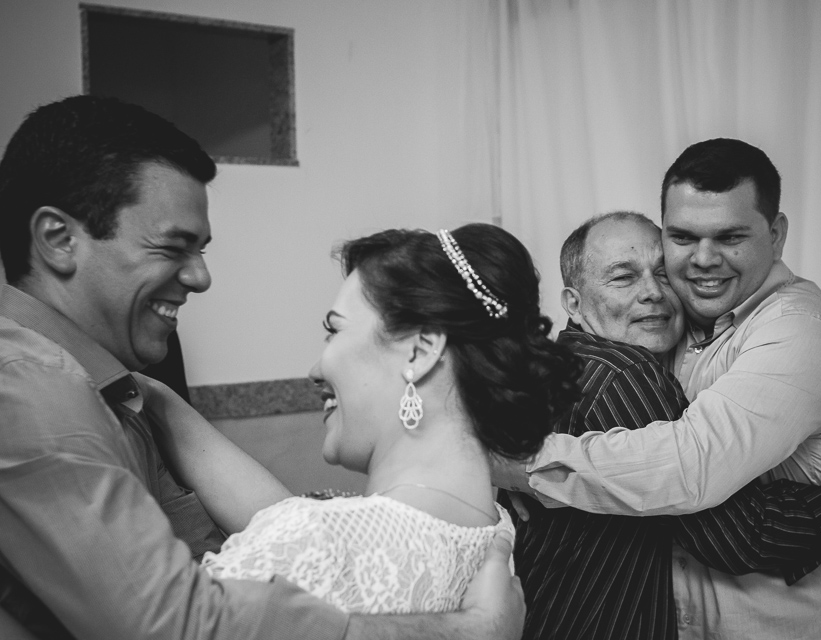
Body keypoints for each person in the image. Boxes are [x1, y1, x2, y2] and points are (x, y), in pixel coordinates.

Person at [0, 95, 524, 640]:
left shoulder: (117, 390)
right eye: (173, 247)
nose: (201, 278)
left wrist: (164, 406)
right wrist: (470, 632)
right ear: (59, 240)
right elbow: (180, 624)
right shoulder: (28, 386)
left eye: (201, 251)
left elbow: (304, 545)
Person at [497, 139, 821, 639]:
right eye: (684, 237)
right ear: (573, 303)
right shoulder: (656, 336)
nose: (703, 260)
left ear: (776, 235)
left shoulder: (798, 328)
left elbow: (694, 467)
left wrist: (518, 466)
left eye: (730, 236)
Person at [138, 223, 583, 615]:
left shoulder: (318, 544)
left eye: (334, 330)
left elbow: (310, 543)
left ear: (420, 351)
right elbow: (304, 529)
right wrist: (159, 400)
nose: (315, 369)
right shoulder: (489, 527)